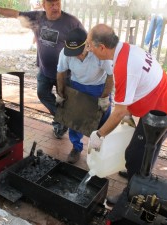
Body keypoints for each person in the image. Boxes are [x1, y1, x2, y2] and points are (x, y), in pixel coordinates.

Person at [86, 24, 167, 212]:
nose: (88, 49)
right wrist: (128, 115)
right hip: (154, 108)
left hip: (161, 115)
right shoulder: (126, 50)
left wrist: (99, 134)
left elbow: (119, 110)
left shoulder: (124, 66)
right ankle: (134, 178)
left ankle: (132, 197)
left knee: (137, 158)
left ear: (102, 47)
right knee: (137, 155)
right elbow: (132, 93)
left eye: (90, 45)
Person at [0, 0, 84, 139]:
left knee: (65, 101)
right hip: (44, 70)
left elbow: (85, 41)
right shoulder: (37, 17)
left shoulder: (71, 22)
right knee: (42, 94)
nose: (56, 8)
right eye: (51, 5)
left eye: (58, 4)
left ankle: (60, 125)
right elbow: (15, 14)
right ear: (44, 5)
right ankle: (62, 119)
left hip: (64, 73)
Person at [56, 27, 113, 164]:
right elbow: (61, 73)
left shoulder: (99, 52)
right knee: (75, 121)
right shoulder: (65, 53)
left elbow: (111, 75)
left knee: (103, 121)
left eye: (79, 52)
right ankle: (76, 147)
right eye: (73, 52)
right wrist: (60, 93)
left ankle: (99, 149)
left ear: (87, 44)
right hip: (77, 86)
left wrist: (105, 97)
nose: (76, 56)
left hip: (98, 88)